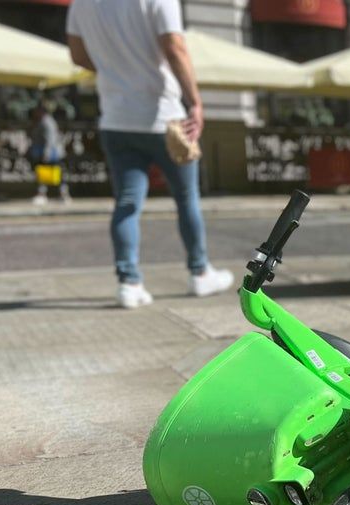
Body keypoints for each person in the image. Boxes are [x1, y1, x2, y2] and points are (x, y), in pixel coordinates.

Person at [66, 0, 233, 309]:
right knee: (186, 198)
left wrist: (114, 67)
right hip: (165, 117)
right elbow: (175, 49)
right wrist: (195, 101)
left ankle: (129, 283)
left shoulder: (82, 4)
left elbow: (78, 55)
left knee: (127, 202)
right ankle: (200, 272)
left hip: (116, 118)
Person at [29, 101, 71, 206]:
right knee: (52, 173)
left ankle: (46, 194)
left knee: (50, 173)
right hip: (51, 152)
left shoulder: (47, 122)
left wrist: (46, 153)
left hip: (51, 152)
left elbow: (50, 139)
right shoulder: (44, 121)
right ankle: (60, 194)